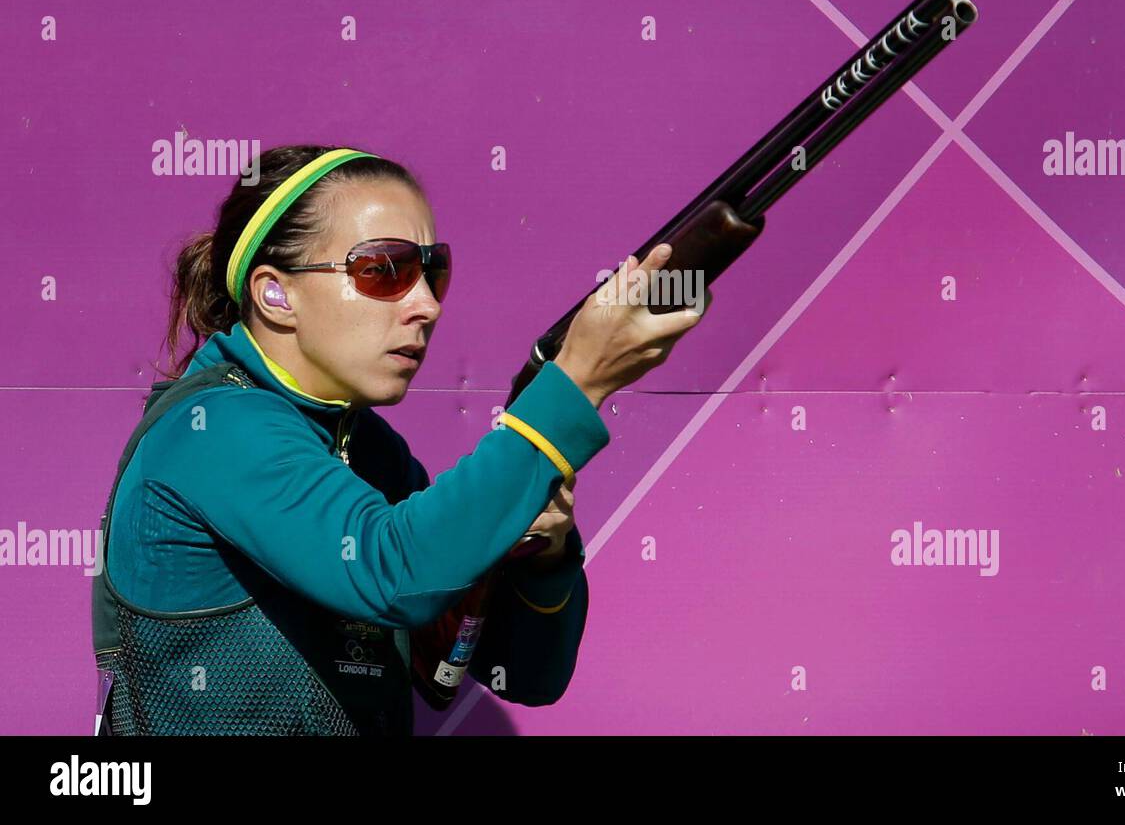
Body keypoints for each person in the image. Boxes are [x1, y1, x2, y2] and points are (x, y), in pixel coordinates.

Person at [90, 144, 710, 735]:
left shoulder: (370, 451)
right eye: (385, 270)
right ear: (275, 294)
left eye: (432, 270)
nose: (427, 305)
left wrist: (541, 560)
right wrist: (574, 385)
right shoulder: (216, 427)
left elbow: (526, 675)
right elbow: (393, 570)